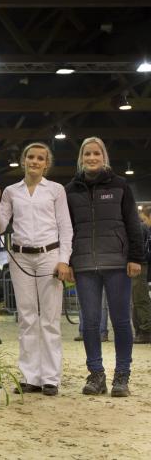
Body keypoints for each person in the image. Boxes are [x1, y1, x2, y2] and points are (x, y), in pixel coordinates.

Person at [65, 137, 144, 397]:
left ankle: (122, 375)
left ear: (104, 156)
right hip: (85, 264)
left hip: (118, 264)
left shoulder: (120, 185)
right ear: (81, 157)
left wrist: (136, 257)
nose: (91, 158)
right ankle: (96, 374)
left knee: (121, 322)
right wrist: (68, 261)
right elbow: (67, 229)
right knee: (90, 322)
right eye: (87, 153)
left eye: (96, 153)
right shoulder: (71, 190)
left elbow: (133, 224)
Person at [0, 142, 72, 396]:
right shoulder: (11, 192)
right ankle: (30, 377)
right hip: (21, 257)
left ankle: (50, 378)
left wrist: (64, 259)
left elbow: (65, 227)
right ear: (24, 160)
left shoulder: (56, 190)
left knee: (49, 319)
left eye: (40, 158)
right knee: (27, 318)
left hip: (49, 255)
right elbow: (2, 225)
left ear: (46, 164)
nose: (35, 161)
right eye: (31, 157)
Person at [131, 207, 151, 343]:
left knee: (140, 298)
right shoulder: (143, 228)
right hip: (141, 265)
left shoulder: (140, 228)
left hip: (140, 265)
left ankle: (145, 331)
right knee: (137, 298)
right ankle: (141, 330)